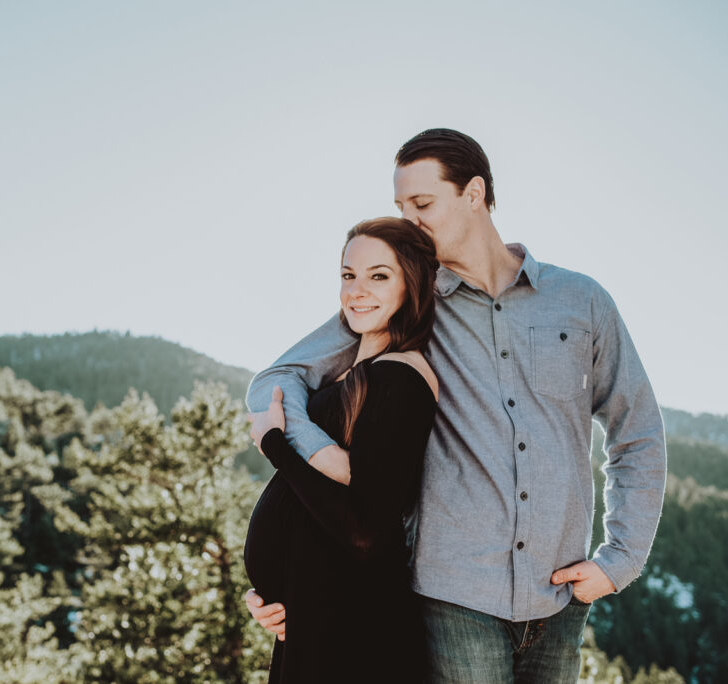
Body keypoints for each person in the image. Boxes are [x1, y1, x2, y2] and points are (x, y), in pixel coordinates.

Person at [244, 129, 666, 682]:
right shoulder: (408, 300)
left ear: (474, 193)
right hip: (452, 601)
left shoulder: (582, 301)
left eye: (422, 204)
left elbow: (636, 431)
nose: (409, 222)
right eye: (401, 207)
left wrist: (620, 560)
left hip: (560, 596)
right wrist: (325, 456)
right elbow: (276, 382)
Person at [244, 217, 439, 682]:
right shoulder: (358, 369)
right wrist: (269, 590)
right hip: (316, 612)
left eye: (379, 276)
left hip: (351, 629)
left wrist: (276, 444)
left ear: (411, 284)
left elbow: (366, 532)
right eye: (348, 275)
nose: (356, 291)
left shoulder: (401, 376)